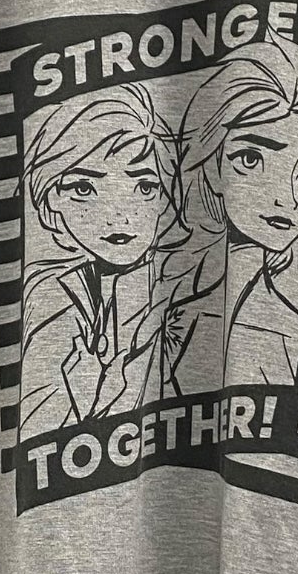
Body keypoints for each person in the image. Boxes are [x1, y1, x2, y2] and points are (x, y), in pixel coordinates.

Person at [136, 38, 298, 394]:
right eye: (252, 159)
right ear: (212, 167)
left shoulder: (287, 333)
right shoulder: (178, 314)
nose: (286, 199)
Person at [16, 84, 179, 439]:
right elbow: (37, 433)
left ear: (167, 195)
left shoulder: (181, 293)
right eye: (84, 188)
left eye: (145, 187)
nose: (119, 216)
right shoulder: (51, 298)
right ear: (51, 198)